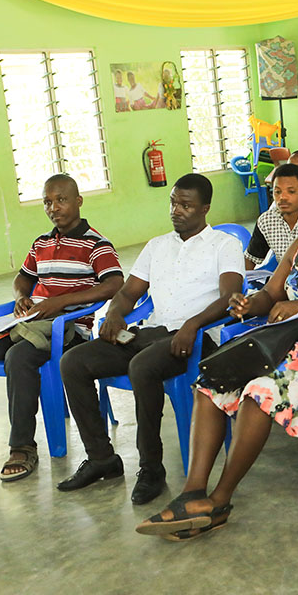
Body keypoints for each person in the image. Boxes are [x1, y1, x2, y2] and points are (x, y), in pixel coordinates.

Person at [134, 172, 298, 540]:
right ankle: (193, 492)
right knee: (210, 383)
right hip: (282, 344)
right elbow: (269, 294)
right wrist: (248, 304)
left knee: (257, 394)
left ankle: (219, 500)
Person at [58, 174, 245, 505]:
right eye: (173, 202)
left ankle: (151, 468)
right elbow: (129, 292)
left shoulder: (224, 245)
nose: (176, 210)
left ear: (205, 208)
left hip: (199, 338)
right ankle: (102, 459)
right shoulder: (157, 245)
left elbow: (230, 297)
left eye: (185, 205)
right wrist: (115, 314)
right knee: (74, 361)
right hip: (155, 332)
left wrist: (193, 324)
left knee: (142, 366)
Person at [0, 175, 123, 480]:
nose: (53, 207)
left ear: (78, 201)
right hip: (28, 324)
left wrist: (62, 302)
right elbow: (23, 278)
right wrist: (21, 298)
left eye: (61, 199)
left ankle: (22, 447)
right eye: (47, 201)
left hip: (66, 332)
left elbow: (114, 284)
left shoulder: (96, 244)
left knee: (19, 358)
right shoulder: (41, 243)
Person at [245, 164, 298, 271]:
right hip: (283, 281)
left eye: (291, 191)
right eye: (277, 192)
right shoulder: (266, 221)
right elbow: (251, 259)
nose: (282, 197)